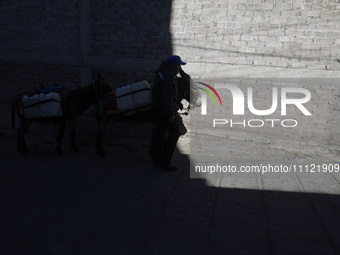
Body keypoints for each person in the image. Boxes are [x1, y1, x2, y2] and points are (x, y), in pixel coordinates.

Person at [150, 55, 187, 171]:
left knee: (159, 134)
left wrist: (177, 103)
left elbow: (169, 95)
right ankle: (165, 162)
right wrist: (170, 114)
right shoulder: (168, 75)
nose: (179, 68)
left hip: (159, 110)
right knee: (175, 132)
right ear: (172, 65)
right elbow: (166, 97)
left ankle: (156, 158)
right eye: (178, 65)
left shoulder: (163, 73)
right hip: (165, 112)